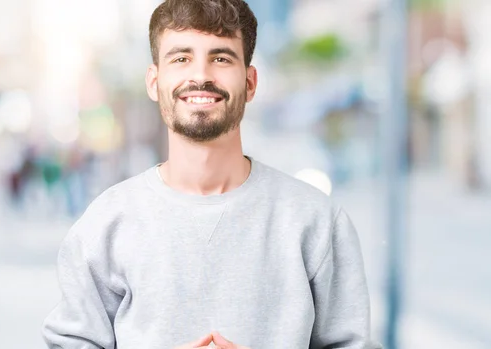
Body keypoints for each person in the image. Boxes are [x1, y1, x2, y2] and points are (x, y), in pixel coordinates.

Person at [42, 0, 381, 348]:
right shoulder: (105, 225)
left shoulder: (317, 222)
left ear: (249, 82)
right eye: (181, 58)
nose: (201, 76)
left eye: (221, 58)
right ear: (154, 81)